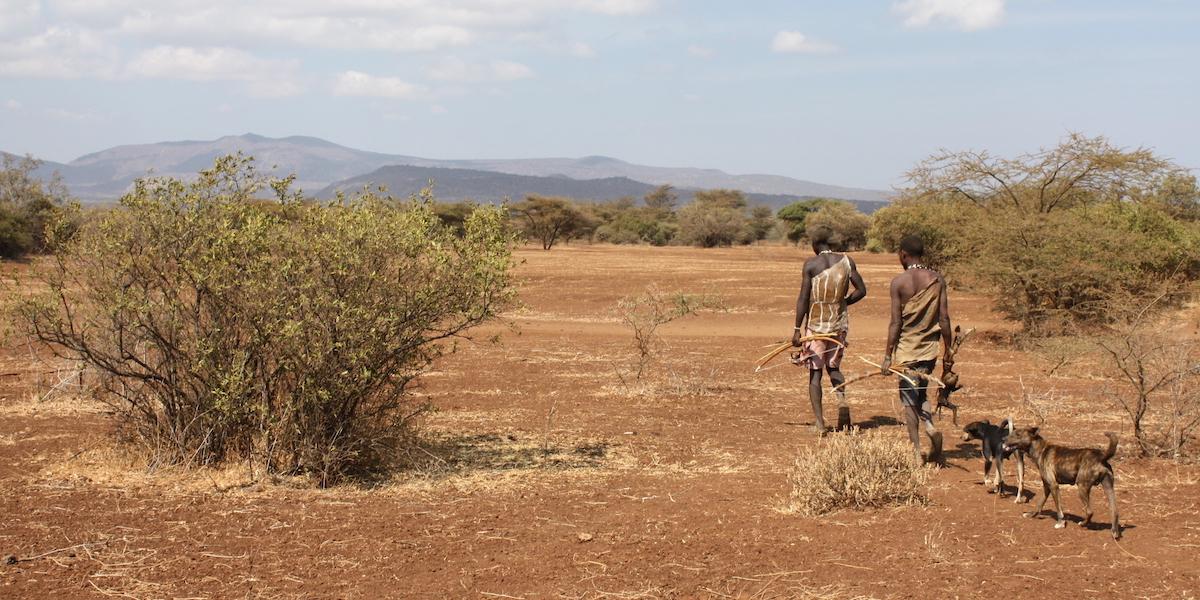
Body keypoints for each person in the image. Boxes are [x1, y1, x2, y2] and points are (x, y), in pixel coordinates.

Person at [881, 235, 953, 464]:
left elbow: (895, 323)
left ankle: (915, 450)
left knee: (908, 401)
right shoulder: (936, 279)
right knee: (921, 392)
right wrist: (948, 350)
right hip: (929, 349)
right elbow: (944, 319)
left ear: (903, 254)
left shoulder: (899, 282)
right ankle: (930, 427)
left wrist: (887, 356)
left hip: (906, 351)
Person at [790, 225, 867, 435]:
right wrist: (842, 304)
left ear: (815, 245)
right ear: (830, 243)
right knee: (834, 368)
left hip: (816, 326)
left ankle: (820, 424)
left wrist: (797, 329)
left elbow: (804, 299)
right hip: (839, 325)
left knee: (815, 374)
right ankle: (841, 400)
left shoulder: (811, 264)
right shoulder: (846, 261)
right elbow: (861, 291)